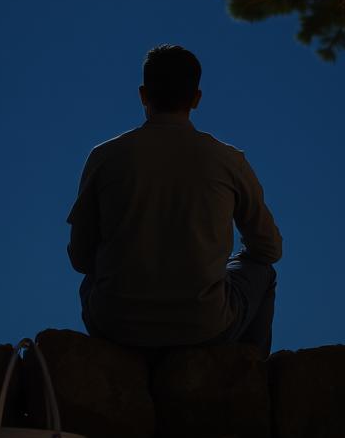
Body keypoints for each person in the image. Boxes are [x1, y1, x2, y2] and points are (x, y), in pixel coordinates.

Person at [66, 45, 283, 359]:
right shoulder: (228, 160)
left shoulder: (105, 157)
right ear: (196, 98)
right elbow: (269, 250)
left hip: (117, 325)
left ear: (143, 94)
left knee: (93, 279)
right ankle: (247, 377)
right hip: (204, 326)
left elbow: (81, 259)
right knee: (263, 273)